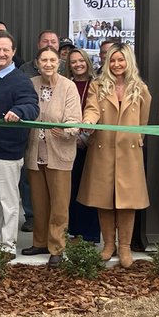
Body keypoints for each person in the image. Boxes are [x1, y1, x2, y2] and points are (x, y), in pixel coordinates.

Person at [78, 43, 151, 268]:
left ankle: (126, 247)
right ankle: (109, 244)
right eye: (113, 60)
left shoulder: (140, 88)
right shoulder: (97, 86)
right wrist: (88, 122)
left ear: (129, 61)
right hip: (103, 149)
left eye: (121, 60)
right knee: (104, 200)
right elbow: (91, 108)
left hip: (129, 152)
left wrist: (138, 140)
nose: (117, 65)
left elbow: (143, 119)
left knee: (127, 202)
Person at [0, 31, 39, 253]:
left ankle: (7, 247)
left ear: (13, 53)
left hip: (8, 153)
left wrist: (17, 110)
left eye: (6, 50)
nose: (1, 53)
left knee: (8, 203)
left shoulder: (20, 80)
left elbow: (32, 106)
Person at [23, 46, 82, 265]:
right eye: (44, 60)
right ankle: (39, 241)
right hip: (35, 152)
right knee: (38, 201)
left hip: (59, 152)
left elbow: (75, 118)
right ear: (37, 63)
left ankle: (56, 247)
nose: (48, 64)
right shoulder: (32, 84)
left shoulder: (69, 87)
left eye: (52, 60)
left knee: (59, 202)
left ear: (59, 63)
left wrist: (66, 129)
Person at [66, 48, 100, 243]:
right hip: (69, 143)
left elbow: (98, 112)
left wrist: (84, 136)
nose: (78, 64)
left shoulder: (96, 85)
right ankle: (74, 231)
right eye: (73, 62)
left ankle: (91, 234)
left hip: (91, 144)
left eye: (81, 61)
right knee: (72, 188)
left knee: (90, 188)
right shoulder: (66, 84)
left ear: (87, 62)